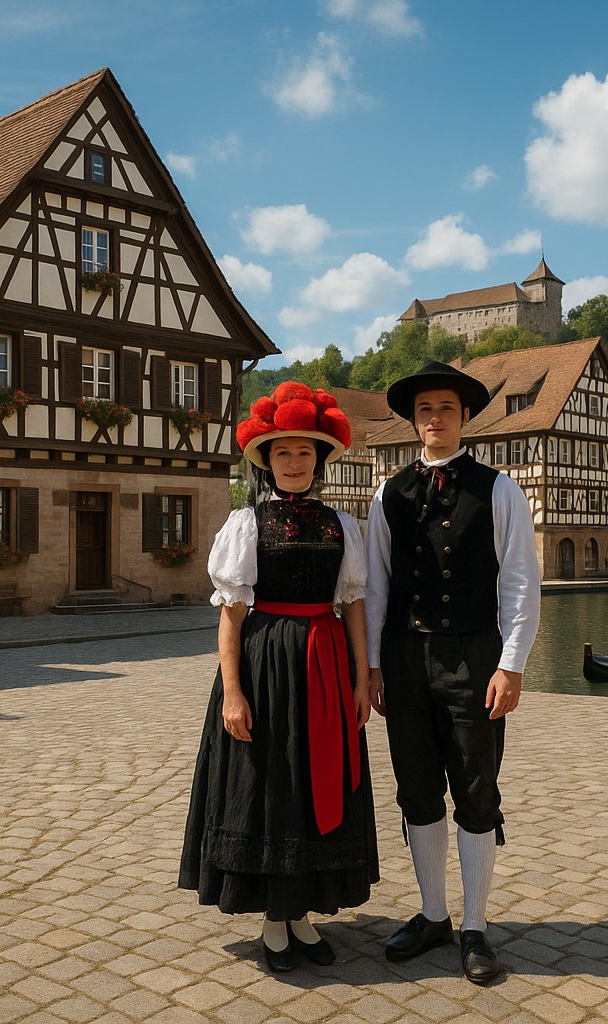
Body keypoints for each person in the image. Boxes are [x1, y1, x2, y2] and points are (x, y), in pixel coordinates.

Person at [179, 382, 379, 974]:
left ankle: (300, 915)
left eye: (305, 453)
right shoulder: (246, 524)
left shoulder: (344, 524)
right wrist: (233, 691)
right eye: (284, 453)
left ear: (319, 461)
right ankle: (274, 920)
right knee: (272, 786)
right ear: (266, 461)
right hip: (266, 669)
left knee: (318, 779)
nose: (295, 463)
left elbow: (357, 606)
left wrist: (364, 678)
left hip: (325, 661)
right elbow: (231, 615)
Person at [365, 361, 541, 985]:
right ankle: (433, 914)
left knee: (475, 792)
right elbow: (378, 586)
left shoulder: (499, 490)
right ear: (414, 420)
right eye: (424, 410)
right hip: (406, 661)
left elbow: (520, 581)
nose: (434, 418)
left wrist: (511, 665)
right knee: (416, 791)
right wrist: (374, 666)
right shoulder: (387, 494)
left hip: (474, 657)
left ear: (465, 417)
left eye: (445, 408)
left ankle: (475, 926)